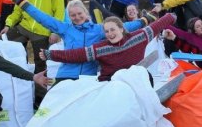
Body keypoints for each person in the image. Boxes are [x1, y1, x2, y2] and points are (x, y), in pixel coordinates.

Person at [7, 0, 146, 82]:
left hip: (88, 78)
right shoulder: (66, 29)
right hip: (65, 76)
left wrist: (144, 21)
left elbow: (122, 26)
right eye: (73, 15)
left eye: (79, 13)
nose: (77, 17)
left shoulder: (98, 29)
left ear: (86, 13)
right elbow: (43, 18)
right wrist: (23, 3)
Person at [40, 14, 176, 82]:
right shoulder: (101, 48)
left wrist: (171, 16)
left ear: (122, 29)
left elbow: (158, 24)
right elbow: (76, 55)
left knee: (146, 77)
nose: (110, 34)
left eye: (113, 29)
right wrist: (50, 55)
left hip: (134, 81)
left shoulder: (138, 37)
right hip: (111, 84)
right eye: (106, 31)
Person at [1, 0, 64, 76]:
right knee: (4, 44)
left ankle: (39, 93)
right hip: (24, 26)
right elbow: (18, 10)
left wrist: (55, 32)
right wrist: (8, 24)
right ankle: (18, 80)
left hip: (42, 31)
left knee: (40, 63)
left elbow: (59, 12)